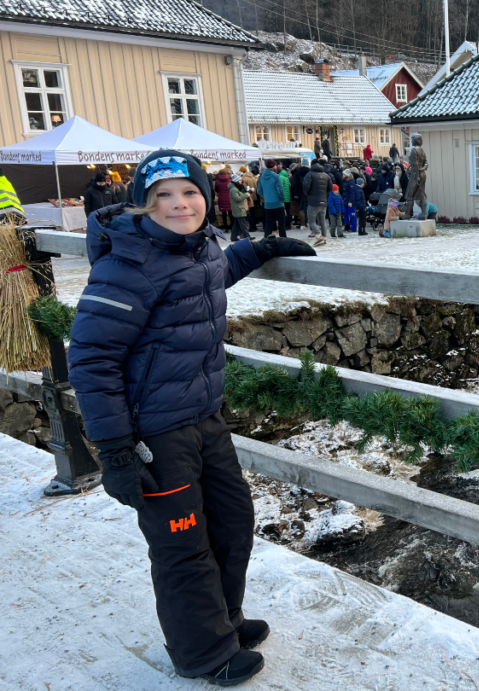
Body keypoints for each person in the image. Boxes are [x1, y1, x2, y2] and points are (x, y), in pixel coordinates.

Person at [66, 149, 317, 687]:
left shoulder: (196, 248)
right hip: (152, 433)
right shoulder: (127, 264)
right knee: (182, 545)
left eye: (189, 192)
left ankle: (223, 622)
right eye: (162, 196)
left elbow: (213, 274)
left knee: (232, 522)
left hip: (203, 418)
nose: (179, 204)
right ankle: (203, 653)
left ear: (206, 197)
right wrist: (113, 452)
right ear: (142, 206)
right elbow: (90, 359)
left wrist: (262, 247)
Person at [302, 161, 331, 247]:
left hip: (313, 201)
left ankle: (318, 235)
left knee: (311, 220)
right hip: (323, 201)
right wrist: (324, 194)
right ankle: (324, 237)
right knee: (322, 220)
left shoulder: (310, 174)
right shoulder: (326, 175)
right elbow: (330, 188)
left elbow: (306, 186)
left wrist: (307, 194)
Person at [257, 159, 287, 238]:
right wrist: (282, 199)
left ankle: (267, 240)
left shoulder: (262, 177)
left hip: (267, 204)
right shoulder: (276, 176)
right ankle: (283, 240)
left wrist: (266, 196)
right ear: (273, 166)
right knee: (281, 223)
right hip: (278, 203)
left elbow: (259, 190)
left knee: (268, 223)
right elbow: (280, 190)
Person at [228, 173, 251, 241]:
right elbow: (237, 199)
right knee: (243, 224)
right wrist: (247, 194)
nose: (241, 181)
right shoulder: (234, 189)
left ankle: (233, 237)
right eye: (240, 180)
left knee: (237, 224)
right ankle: (247, 237)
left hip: (237, 208)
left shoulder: (234, 188)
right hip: (238, 208)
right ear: (236, 181)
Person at [278, 164, 292, 228]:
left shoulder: (280, 177)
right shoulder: (286, 177)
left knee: (284, 212)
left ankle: (285, 225)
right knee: (288, 211)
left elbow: (280, 188)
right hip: (288, 197)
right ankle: (289, 224)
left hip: (283, 197)